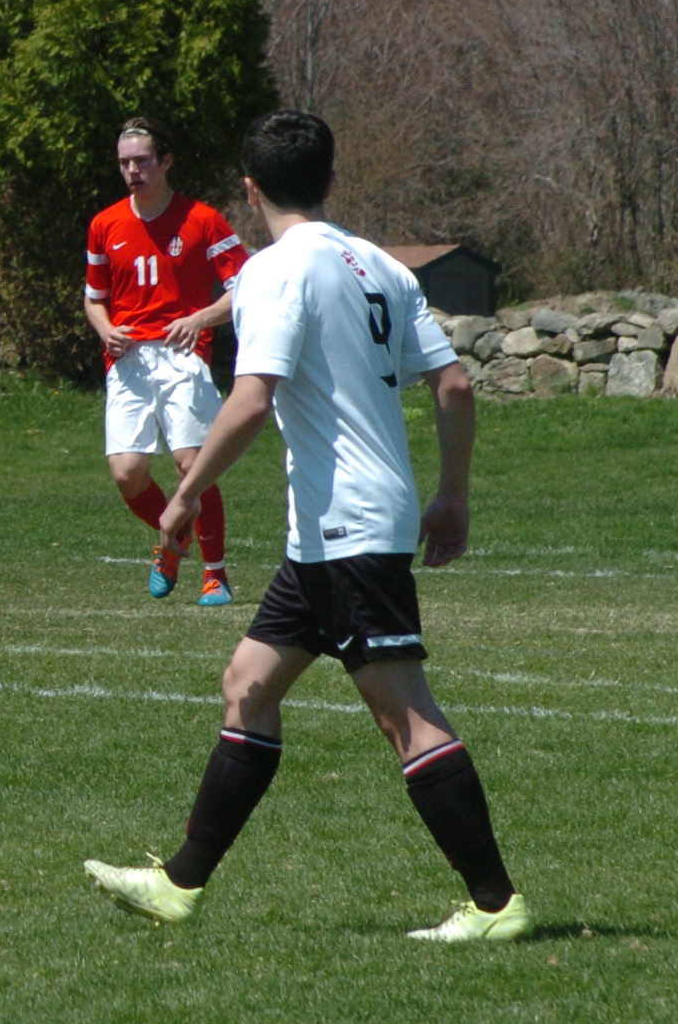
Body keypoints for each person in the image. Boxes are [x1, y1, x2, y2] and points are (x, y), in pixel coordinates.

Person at [84, 110, 531, 943]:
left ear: (249, 188)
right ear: (329, 180)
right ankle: (179, 885)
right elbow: (454, 385)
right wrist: (452, 495)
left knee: (406, 716)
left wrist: (184, 497)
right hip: (332, 531)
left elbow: (252, 399)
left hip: (348, 527)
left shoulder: (272, 271)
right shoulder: (381, 266)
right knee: (247, 684)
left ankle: (496, 904)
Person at [83, 117, 250, 607]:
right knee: (127, 473)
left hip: (183, 354)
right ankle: (173, 538)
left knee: (192, 464)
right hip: (128, 360)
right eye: (124, 163)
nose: (132, 171)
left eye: (142, 161)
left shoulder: (202, 219)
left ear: (166, 161)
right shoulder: (105, 224)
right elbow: (94, 299)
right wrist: (106, 330)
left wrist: (200, 319)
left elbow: (245, 288)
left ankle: (215, 575)